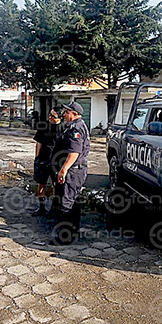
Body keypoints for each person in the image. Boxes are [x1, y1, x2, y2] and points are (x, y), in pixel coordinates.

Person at [51, 101, 90, 244]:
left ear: (74, 114)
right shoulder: (75, 126)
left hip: (73, 171)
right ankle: (72, 232)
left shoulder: (75, 129)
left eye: (67, 112)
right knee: (73, 201)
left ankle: (65, 237)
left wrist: (64, 169)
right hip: (75, 170)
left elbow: (74, 152)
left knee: (67, 202)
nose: (64, 114)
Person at [31, 107, 63, 217]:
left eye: (53, 116)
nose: (50, 117)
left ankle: (54, 209)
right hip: (43, 159)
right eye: (50, 114)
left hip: (57, 162)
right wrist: (37, 158)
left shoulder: (64, 128)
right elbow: (38, 142)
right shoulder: (44, 125)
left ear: (60, 117)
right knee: (41, 184)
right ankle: (41, 207)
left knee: (56, 185)